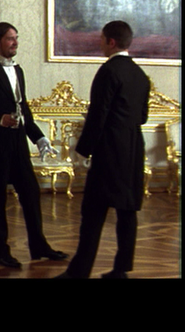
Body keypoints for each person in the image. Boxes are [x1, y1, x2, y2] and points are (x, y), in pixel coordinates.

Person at [0, 22, 68, 268]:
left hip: (18, 145)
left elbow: (24, 109)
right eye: (10, 39)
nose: (15, 43)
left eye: (16, 38)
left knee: (31, 194)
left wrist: (40, 138)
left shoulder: (18, 70)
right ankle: (0, 253)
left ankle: (39, 247)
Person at [55, 21, 150, 279]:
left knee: (93, 213)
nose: (100, 43)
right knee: (127, 212)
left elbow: (98, 116)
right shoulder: (140, 75)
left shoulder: (108, 71)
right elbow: (142, 117)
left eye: (101, 38)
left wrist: (82, 151)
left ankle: (79, 272)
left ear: (111, 42)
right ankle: (120, 270)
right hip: (134, 150)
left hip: (109, 151)